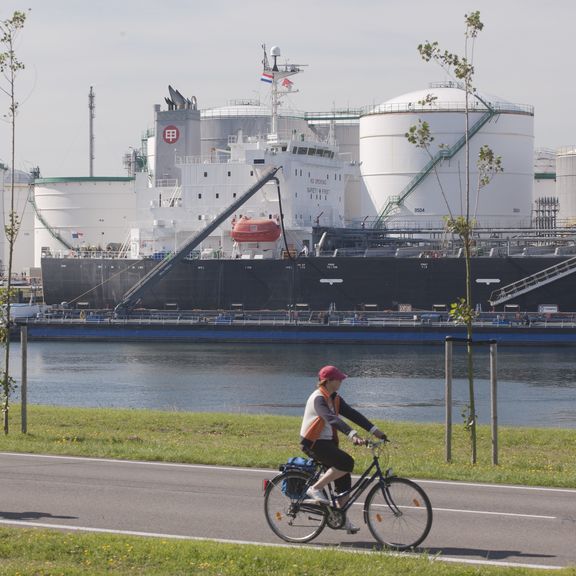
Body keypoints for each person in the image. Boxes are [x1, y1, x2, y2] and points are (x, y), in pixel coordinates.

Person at [300, 365, 387, 534]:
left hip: (327, 443)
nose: (341, 381)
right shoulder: (318, 398)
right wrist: (352, 434)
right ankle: (315, 489)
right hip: (313, 443)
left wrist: (375, 431)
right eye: (338, 379)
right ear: (329, 381)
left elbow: (353, 414)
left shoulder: (335, 398)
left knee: (344, 481)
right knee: (346, 462)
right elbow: (331, 418)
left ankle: (341, 517)